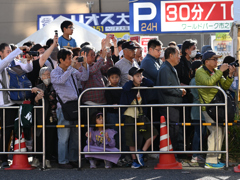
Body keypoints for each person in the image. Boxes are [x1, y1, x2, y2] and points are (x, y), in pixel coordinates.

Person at [195, 50, 235, 169]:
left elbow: (225, 85)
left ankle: (216, 159)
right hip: (208, 106)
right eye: (214, 59)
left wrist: (230, 75)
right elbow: (209, 82)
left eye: (217, 59)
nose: (217, 61)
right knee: (215, 131)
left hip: (217, 106)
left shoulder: (216, 71)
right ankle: (210, 161)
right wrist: (221, 71)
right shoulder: (200, 72)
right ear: (206, 61)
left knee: (220, 132)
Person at [51, 48, 89, 169]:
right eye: (68, 58)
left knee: (75, 135)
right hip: (63, 107)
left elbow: (84, 78)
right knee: (64, 136)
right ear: (61, 60)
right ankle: (62, 161)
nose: (71, 60)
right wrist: (70, 68)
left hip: (74, 105)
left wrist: (84, 65)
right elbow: (61, 81)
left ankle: (73, 159)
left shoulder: (71, 70)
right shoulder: (54, 72)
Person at [0, 45, 36, 168]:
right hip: (3, 104)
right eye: (7, 51)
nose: (10, 53)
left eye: (11, 51)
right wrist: (18, 50)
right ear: (0, 53)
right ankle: (3, 157)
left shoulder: (13, 62)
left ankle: (6, 156)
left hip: (14, 102)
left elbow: (28, 69)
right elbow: (5, 61)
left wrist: (29, 59)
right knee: (5, 131)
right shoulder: (2, 63)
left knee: (10, 130)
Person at [120, 67, 158, 169]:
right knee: (130, 139)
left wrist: (143, 79)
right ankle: (134, 160)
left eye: (140, 75)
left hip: (141, 115)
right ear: (132, 77)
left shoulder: (143, 85)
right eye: (137, 76)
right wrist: (131, 81)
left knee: (153, 133)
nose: (140, 78)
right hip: (129, 115)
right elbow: (125, 88)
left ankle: (141, 153)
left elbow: (151, 83)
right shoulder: (129, 85)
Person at [157, 46, 186, 153]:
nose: (179, 57)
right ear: (171, 55)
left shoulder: (169, 67)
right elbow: (166, 88)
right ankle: (171, 155)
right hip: (169, 104)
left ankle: (173, 154)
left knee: (175, 130)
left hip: (173, 103)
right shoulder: (165, 68)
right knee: (172, 131)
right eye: (178, 54)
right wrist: (179, 91)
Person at [32, 67, 58, 168]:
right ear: (40, 77)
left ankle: (47, 159)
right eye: (44, 75)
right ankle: (36, 158)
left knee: (50, 138)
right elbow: (34, 102)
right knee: (38, 138)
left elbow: (51, 97)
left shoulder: (55, 86)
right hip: (40, 116)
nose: (47, 77)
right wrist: (37, 99)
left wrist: (40, 91)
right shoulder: (38, 86)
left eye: (48, 74)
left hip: (52, 116)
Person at [175, 39, 197, 152]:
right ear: (186, 50)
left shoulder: (190, 62)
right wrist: (181, 85)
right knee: (184, 122)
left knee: (189, 123)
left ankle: (187, 146)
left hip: (189, 96)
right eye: (193, 49)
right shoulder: (180, 63)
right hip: (182, 96)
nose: (195, 50)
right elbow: (176, 80)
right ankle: (181, 148)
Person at [81, 41, 113, 105]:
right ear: (84, 55)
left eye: (94, 54)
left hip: (102, 100)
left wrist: (108, 57)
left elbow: (108, 67)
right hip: (90, 102)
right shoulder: (81, 67)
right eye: (91, 55)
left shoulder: (95, 65)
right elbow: (92, 71)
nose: (94, 56)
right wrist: (102, 57)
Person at [189, 60, 206, 163]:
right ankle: (195, 155)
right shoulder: (195, 80)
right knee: (198, 133)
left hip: (199, 109)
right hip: (197, 109)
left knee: (201, 132)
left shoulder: (195, 79)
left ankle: (197, 154)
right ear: (196, 69)